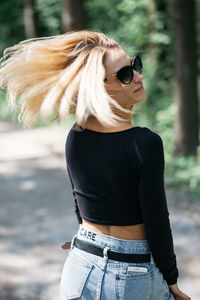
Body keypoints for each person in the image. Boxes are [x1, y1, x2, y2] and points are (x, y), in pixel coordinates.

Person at [0, 30, 191, 300]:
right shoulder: (144, 143)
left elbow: (84, 204)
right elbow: (157, 220)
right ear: (99, 87)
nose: (139, 76)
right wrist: (171, 280)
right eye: (125, 74)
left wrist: (88, 243)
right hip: (131, 275)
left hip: (79, 266)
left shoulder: (75, 136)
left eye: (135, 65)